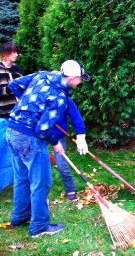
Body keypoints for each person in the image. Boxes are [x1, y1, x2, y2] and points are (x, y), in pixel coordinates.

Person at [6, 60, 90, 238]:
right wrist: (55, 142)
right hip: (29, 138)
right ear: (72, 78)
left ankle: (19, 217)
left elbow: (13, 85)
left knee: (21, 177)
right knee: (41, 182)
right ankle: (39, 226)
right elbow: (42, 130)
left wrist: (29, 105)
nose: (81, 82)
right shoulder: (59, 98)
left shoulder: (42, 75)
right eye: (80, 79)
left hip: (12, 130)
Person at [50, 96, 88, 201]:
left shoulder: (64, 98)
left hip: (58, 136)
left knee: (61, 164)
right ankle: (40, 194)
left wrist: (80, 135)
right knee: (40, 166)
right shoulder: (40, 95)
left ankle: (70, 189)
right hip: (40, 135)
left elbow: (76, 116)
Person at [0, 42, 23, 191]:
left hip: (16, 117)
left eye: (17, 52)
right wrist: (10, 89)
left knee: (12, 150)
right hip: (2, 115)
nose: (16, 54)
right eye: (14, 52)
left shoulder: (17, 71)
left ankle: (12, 179)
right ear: (5, 53)